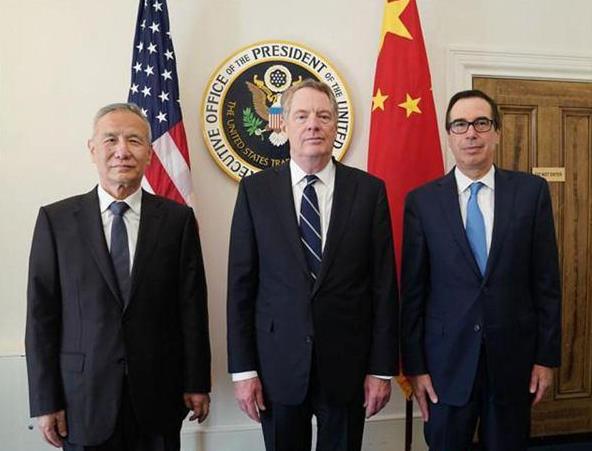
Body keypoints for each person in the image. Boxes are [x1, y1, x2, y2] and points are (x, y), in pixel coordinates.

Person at [25, 103, 211, 451]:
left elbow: (192, 308)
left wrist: (197, 382)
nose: (122, 151)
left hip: (158, 395)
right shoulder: (56, 221)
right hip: (82, 400)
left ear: (150, 153)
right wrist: (44, 400)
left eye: (134, 140)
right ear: (92, 149)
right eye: (110, 139)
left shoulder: (177, 221)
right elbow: (41, 318)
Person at [226, 79, 399, 451]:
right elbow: (241, 287)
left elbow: (384, 287)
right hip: (277, 366)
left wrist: (381, 369)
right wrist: (243, 371)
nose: (313, 125)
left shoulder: (369, 191)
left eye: (323, 116)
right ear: (284, 124)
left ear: (335, 125)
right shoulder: (255, 191)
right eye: (301, 116)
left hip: (348, 365)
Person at [401, 89, 561, 450]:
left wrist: (546, 358)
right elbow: (413, 292)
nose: (471, 133)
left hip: (513, 361)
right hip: (444, 365)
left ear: (497, 132)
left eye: (481, 123)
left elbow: (547, 283)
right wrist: (416, 368)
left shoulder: (531, 193)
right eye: (460, 124)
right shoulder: (422, 202)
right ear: (449, 135)